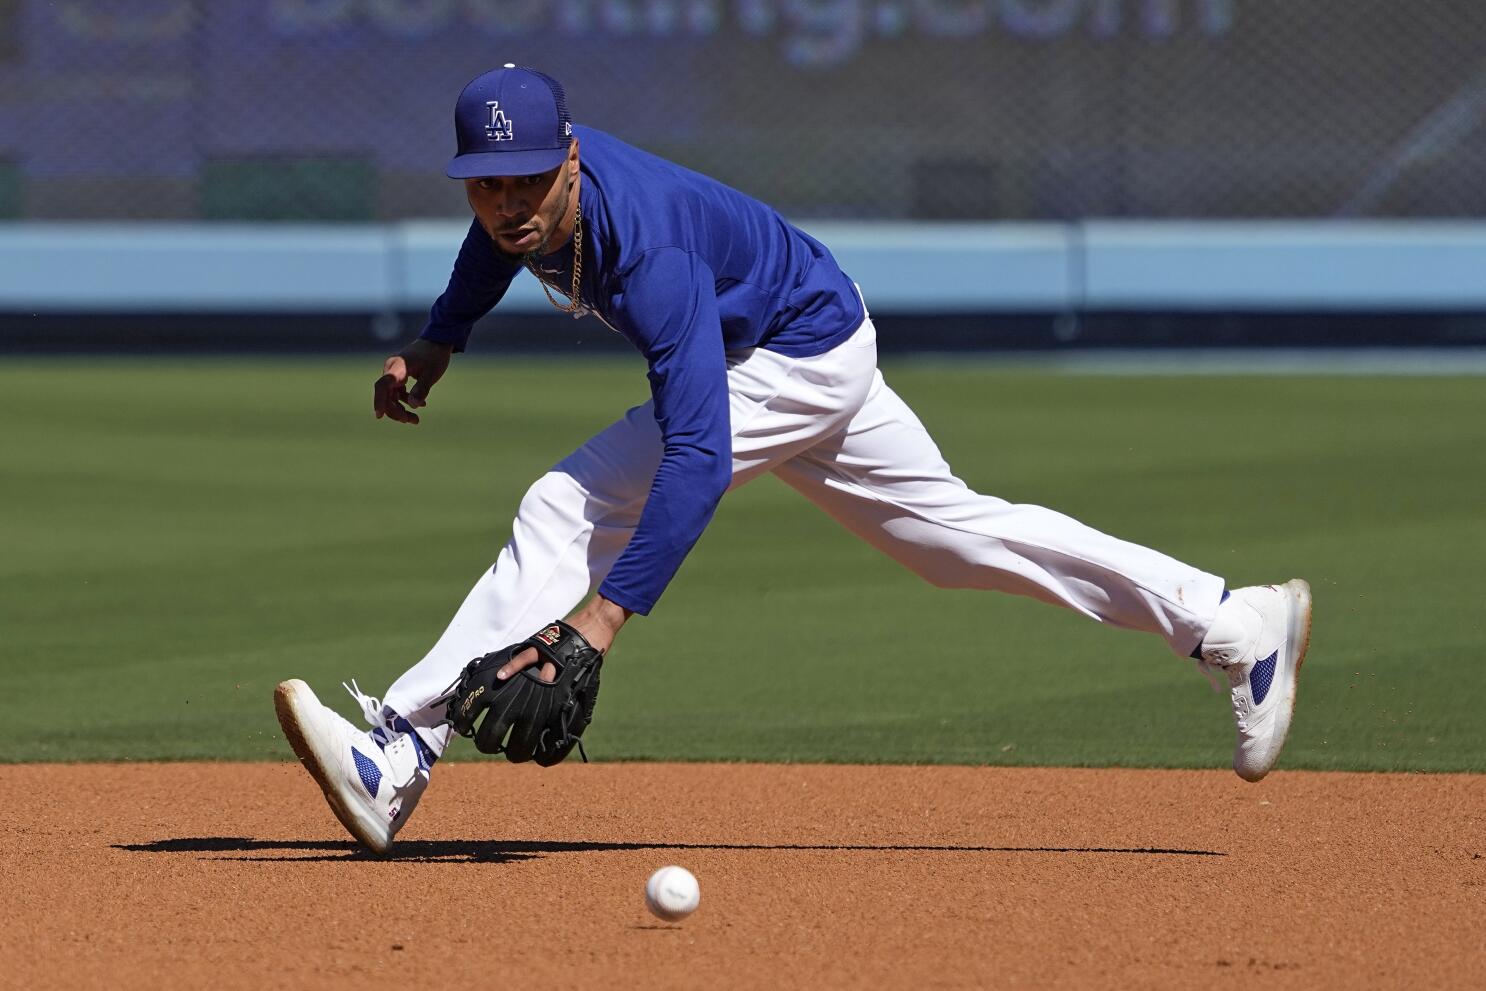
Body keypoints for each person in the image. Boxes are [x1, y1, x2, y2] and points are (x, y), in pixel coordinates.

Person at [274, 65, 1313, 854]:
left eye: (527, 178)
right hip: (821, 334)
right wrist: (439, 340)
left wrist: (602, 621)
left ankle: (398, 751)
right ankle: (1233, 623)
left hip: (794, 357)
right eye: (484, 183)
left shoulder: (650, 250)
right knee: (950, 540)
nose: (507, 202)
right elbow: (496, 248)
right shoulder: (528, 208)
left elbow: (696, 453)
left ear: (573, 157)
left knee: (566, 502)